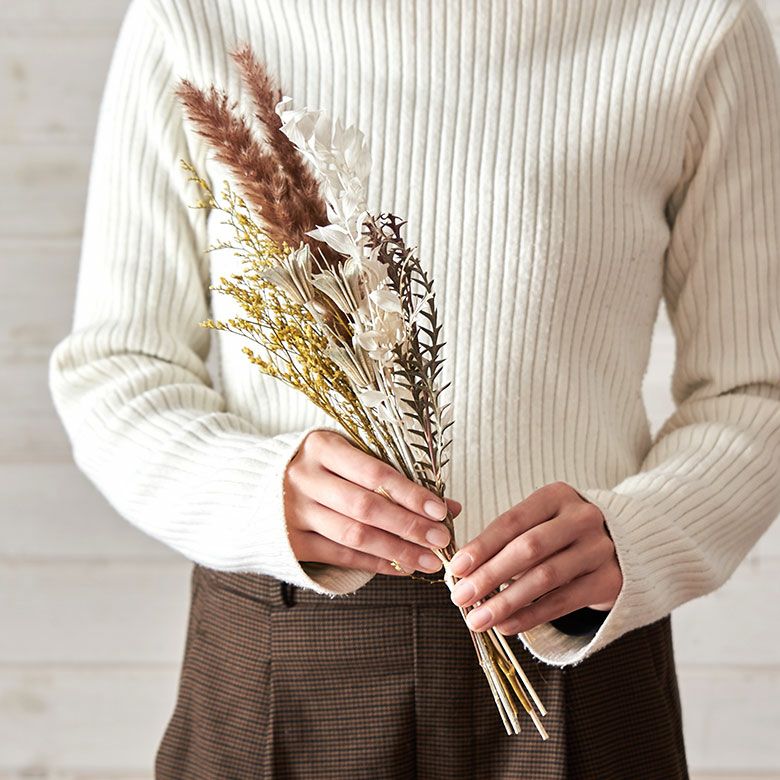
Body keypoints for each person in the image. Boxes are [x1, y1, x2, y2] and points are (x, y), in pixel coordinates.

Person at [49, 0, 780, 777]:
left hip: (576, 643)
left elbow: (756, 389)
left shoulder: (697, 24)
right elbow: (118, 370)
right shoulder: (193, 17)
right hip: (284, 655)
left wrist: (643, 533)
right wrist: (260, 492)